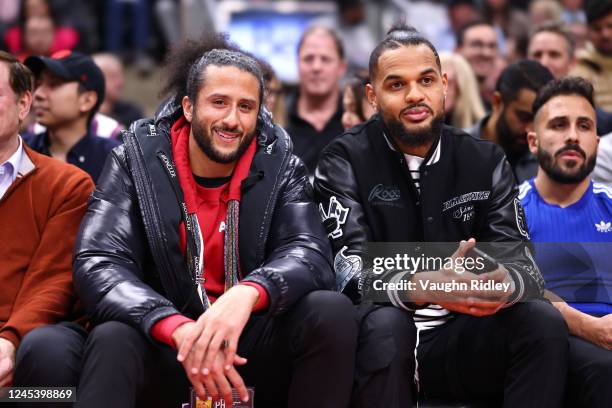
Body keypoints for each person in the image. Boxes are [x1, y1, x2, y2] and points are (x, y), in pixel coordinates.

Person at [15, 36, 357, 408]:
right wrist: (171, 324)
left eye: (246, 107)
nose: (232, 119)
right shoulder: (134, 159)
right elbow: (99, 261)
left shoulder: (281, 163)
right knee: (112, 336)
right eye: (219, 103)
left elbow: (310, 252)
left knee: (330, 311)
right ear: (189, 107)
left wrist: (250, 293)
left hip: (247, 339)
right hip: (166, 339)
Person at [314, 23, 568, 408]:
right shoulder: (343, 159)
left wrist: (505, 282)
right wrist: (423, 284)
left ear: (445, 84)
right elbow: (346, 270)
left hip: (460, 336)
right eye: (396, 85)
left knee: (540, 320)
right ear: (372, 95)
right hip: (377, 336)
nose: (415, 95)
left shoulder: (485, 159)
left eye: (426, 80)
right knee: (387, 325)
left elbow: (524, 267)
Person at [0, 51, 93, 389]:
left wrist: (10, 339)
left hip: (24, 337)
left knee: (46, 352)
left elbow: (53, 280)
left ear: (24, 105)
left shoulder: (67, 185)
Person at [519, 76, 612, 407]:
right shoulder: (509, 210)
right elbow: (509, 286)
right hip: (545, 346)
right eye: (559, 125)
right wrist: (587, 326)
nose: (573, 135)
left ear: (597, 143)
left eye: (584, 126)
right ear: (533, 141)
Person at [22, 50, 120, 182]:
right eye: (38, 84)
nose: (38, 94)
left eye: (54, 84)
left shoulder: (116, 160)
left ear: (87, 100)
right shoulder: (19, 151)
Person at [466, 60, 554, 183]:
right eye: (523, 117)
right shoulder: (455, 152)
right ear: (497, 102)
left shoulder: (546, 160)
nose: (530, 129)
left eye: (539, 120)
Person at [286, 25, 347, 173]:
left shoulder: (358, 122)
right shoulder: (277, 123)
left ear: (341, 67)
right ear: (297, 64)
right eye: (308, 59)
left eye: (325, 59)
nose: (316, 67)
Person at [570, 0, 612, 111]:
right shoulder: (579, 74)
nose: (605, 34)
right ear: (588, 31)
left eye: (610, 26)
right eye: (597, 29)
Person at [455, 19, 505, 108]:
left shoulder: (501, 104)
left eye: (492, 46)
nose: (486, 53)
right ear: (458, 50)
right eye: (477, 45)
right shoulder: (446, 101)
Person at [92, 52, 144, 128]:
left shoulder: (131, 112)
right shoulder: (78, 115)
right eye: (113, 76)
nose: (120, 83)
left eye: (120, 76)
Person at [439, 51, 485, 129]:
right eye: (430, 82)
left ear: (463, 88)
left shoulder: (483, 130)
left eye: (448, 82)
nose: (439, 89)